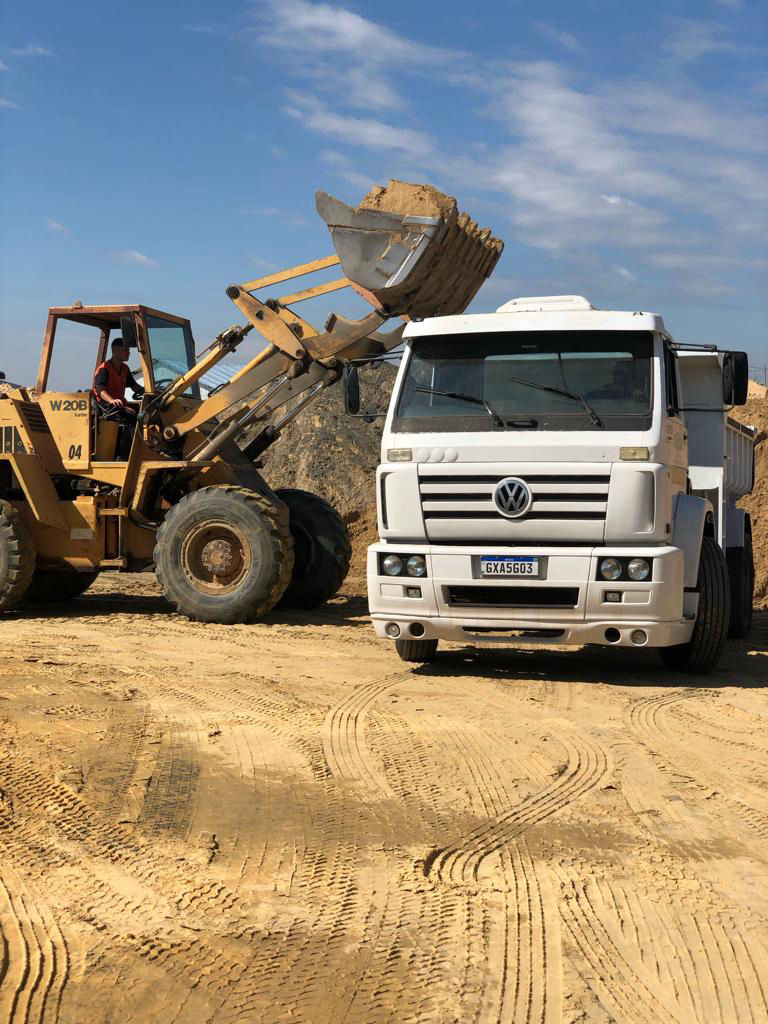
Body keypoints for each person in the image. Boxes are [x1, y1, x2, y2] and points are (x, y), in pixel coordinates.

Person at [92, 337, 145, 458]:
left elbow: (135, 387)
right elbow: (100, 390)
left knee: (144, 413)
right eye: (126, 350)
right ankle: (125, 456)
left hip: (119, 404)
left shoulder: (125, 369)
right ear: (115, 351)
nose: (129, 353)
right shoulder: (104, 369)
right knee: (132, 416)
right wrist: (112, 400)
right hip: (105, 406)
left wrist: (151, 391)